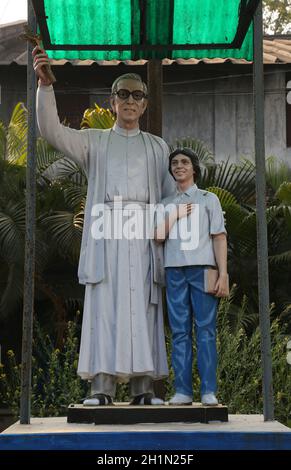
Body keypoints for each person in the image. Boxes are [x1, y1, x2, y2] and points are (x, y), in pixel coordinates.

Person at [32, 47, 176, 406]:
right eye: (123, 94)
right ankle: (101, 388)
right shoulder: (93, 142)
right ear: (112, 102)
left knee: (144, 308)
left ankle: (144, 390)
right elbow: (51, 131)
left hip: (145, 235)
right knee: (105, 307)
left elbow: (173, 199)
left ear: (144, 105)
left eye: (137, 95)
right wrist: (45, 87)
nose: (130, 100)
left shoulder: (159, 148)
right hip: (106, 232)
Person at [155, 148, 228, 406]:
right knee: (179, 332)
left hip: (203, 269)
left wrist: (224, 273)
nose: (179, 166)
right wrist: (174, 214)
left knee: (206, 330)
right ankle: (183, 391)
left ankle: (209, 390)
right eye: (174, 163)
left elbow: (219, 237)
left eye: (184, 162)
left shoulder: (209, 199)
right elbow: (158, 236)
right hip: (174, 271)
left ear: (194, 168)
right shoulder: (164, 204)